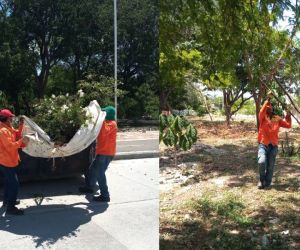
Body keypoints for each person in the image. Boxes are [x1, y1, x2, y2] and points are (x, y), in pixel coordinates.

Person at [79, 106, 117, 202]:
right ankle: (90, 187)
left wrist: (100, 119)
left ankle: (105, 195)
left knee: (100, 174)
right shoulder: (107, 123)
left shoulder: (112, 124)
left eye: (104, 113)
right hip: (102, 152)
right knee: (92, 169)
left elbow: (103, 132)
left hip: (106, 154)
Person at [257, 93, 292, 189]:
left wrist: (288, 114)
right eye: (267, 108)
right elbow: (261, 111)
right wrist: (268, 98)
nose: (268, 109)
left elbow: (288, 125)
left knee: (270, 166)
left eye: (270, 107)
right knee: (261, 162)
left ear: (272, 108)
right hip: (263, 145)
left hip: (273, 146)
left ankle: (267, 183)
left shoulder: (276, 118)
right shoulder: (262, 118)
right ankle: (261, 180)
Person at [0, 109, 29, 215]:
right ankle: (10, 208)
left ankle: (7, 202)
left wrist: (21, 125)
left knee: (8, 182)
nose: (12, 119)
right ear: (6, 118)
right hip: (6, 161)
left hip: (9, 160)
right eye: (10, 117)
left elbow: (16, 134)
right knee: (14, 185)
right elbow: (10, 146)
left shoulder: (7, 127)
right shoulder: (2, 131)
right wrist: (22, 141)